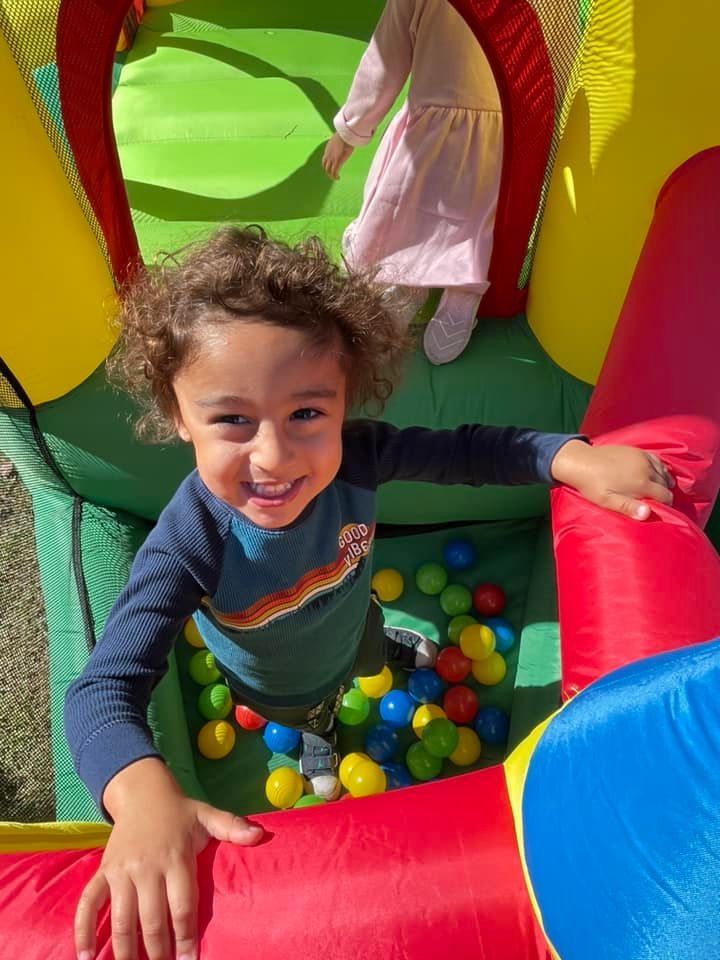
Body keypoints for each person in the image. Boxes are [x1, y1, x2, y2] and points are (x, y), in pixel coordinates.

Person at [65, 225, 674, 960]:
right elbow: (102, 690)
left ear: (344, 402)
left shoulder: (358, 458)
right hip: (276, 683)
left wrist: (568, 457)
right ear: (176, 415)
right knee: (318, 713)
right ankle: (320, 743)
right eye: (231, 419)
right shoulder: (190, 543)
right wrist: (142, 799)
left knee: (370, 646)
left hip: (353, 618)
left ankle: (383, 652)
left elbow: (470, 451)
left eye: (306, 415)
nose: (274, 455)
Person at [322, 0, 503, 365]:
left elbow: (386, 55)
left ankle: (458, 291)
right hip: (450, 123)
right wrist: (350, 129)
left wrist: (349, 130)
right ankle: (409, 279)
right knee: (416, 199)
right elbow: (386, 56)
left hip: (492, 123)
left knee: (459, 209)